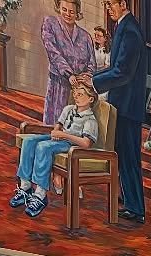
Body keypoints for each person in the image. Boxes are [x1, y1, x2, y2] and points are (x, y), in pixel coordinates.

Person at [88, 0, 147, 223]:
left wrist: (94, 83)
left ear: (123, 3)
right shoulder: (124, 25)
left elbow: (122, 72)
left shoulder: (130, 30)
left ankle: (136, 208)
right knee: (123, 154)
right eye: (106, 4)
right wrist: (94, 77)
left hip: (128, 105)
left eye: (111, 3)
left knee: (129, 157)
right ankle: (130, 199)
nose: (108, 8)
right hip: (123, 103)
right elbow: (115, 68)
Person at [9, 81, 99, 219]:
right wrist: (55, 132)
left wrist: (63, 135)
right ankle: (25, 187)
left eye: (80, 94)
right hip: (59, 139)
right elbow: (58, 125)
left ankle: (40, 195)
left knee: (43, 147)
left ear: (90, 99)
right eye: (75, 93)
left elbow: (86, 143)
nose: (76, 96)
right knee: (29, 141)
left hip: (71, 145)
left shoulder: (90, 120)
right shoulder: (68, 109)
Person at [39, 0, 97, 126]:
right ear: (58, 8)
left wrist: (86, 76)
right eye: (64, 10)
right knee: (55, 123)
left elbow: (92, 63)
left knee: (75, 125)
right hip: (58, 84)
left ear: (77, 13)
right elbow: (53, 52)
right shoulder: (50, 23)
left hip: (80, 88)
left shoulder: (86, 36)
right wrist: (68, 74)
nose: (68, 14)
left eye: (72, 12)